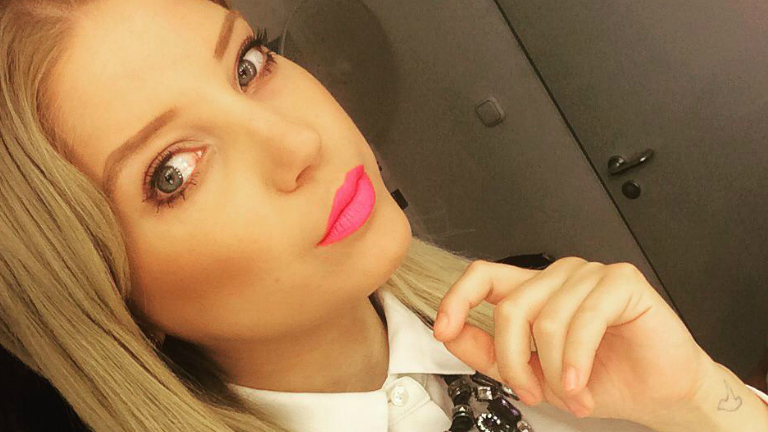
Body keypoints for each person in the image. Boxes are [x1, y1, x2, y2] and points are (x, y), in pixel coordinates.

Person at [0, 1, 766, 431]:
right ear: (101, 295)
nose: (300, 141)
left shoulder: (554, 332)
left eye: (248, 66)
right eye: (173, 172)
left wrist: (704, 400)